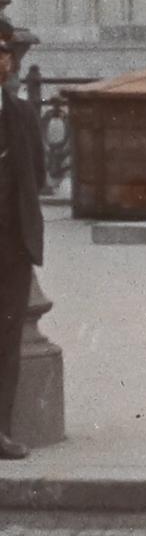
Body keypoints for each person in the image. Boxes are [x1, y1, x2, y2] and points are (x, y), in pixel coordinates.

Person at [0, 23, 46, 461]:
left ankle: (1, 431)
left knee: (7, 340)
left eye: (6, 53)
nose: (4, 60)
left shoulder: (23, 114)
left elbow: (38, 174)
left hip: (12, 249)